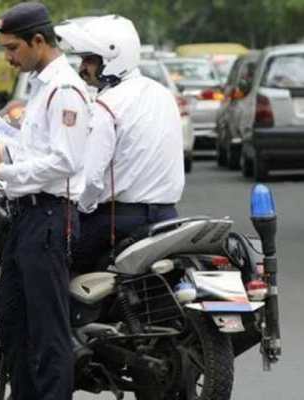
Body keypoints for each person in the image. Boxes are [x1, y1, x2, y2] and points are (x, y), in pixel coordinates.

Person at [0, 3, 91, 399]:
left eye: (12, 48)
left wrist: (3, 171)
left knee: (48, 331)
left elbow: (65, 161)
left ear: (38, 41)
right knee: (15, 326)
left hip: (49, 218)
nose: (7, 58)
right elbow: (34, 149)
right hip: (25, 218)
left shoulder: (66, 90)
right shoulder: (41, 87)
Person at [55, 15, 185, 273]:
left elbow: (91, 179)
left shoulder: (108, 105)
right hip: (168, 217)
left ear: (113, 59)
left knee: (56, 266)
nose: (82, 68)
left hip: (118, 221)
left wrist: (80, 207)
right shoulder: (162, 94)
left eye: (90, 60)